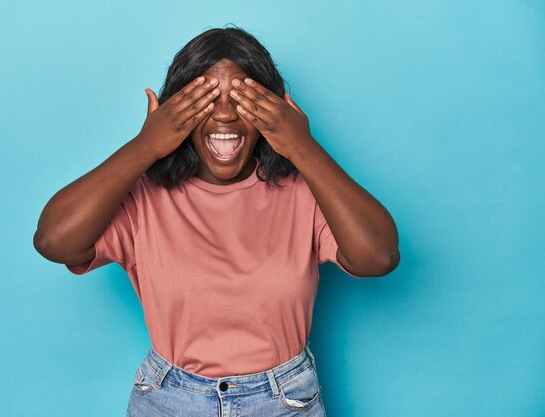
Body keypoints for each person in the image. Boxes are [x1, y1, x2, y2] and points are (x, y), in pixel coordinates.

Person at [33, 26, 400, 417]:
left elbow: (378, 257)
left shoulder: (304, 192)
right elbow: (54, 240)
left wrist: (303, 147)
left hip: (284, 402)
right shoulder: (143, 197)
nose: (224, 114)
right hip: (168, 400)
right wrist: (146, 146)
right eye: (206, 99)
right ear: (176, 111)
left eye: (242, 99)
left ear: (272, 112)